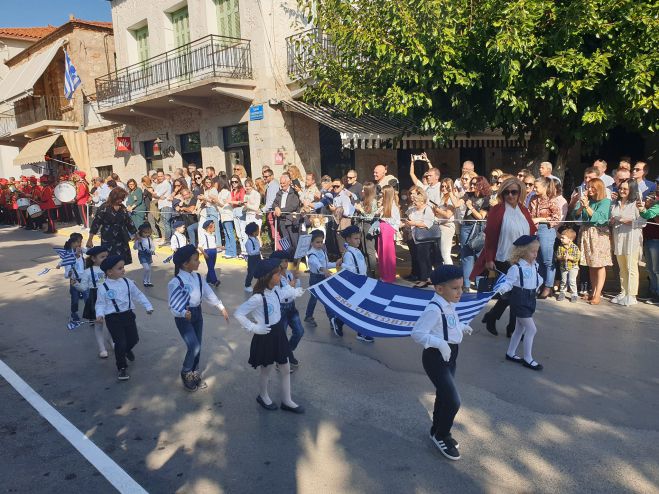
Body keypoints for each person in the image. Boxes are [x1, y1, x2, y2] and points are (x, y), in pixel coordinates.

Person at [411, 265, 473, 461]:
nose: (459, 292)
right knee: (453, 401)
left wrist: (462, 327)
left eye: (461, 287)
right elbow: (418, 333)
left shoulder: (449, 304)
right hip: (436, 357)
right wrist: (439, 343)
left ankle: (436, 429)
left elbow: (450, 323)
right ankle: (442, 434)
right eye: (455, 288)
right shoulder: (434, 308)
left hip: (451, 354)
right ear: (439, 289)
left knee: (444, 396)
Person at [234, 258, 305, 413]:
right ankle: (263, 395)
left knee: (285, 368)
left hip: (278, 332)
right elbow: (238, 313)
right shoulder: (258, 298)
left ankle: (287, 400)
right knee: (266, 369)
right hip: (265, 335)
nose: (280, 276)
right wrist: (253, 327)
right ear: (268, 277)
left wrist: (295, 291)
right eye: (277, 274)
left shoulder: (275, 290)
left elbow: (285, 292)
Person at [474, 177, 536, 336]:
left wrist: (531, 255)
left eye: (514, 192)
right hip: (503, 257)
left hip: (522, 258)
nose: (510, 195)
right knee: (513, 294)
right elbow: (490, 237)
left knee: (516, 294)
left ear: (520, 192)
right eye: (506, 192)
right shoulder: (498, 210)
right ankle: (505, 324)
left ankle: (499, 320)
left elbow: (532, 232)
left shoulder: (523, 210)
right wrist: (489, 259)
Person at [168, 245, 229, 392]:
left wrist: (221, 307)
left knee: (198, 345)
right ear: (185, 263)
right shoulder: (175, 282)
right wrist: (182, 313)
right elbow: (172, 305)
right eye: (196, 260)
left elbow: (208, 294)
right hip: (184, 316)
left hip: (197, 314)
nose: (199, 262)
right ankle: (186, 371)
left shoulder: (199, 278)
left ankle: (194, 372)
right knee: (193, 345)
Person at [95, 255, 154, 381]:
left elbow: (138, 295)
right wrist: (99, 315)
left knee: (134, 339)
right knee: (120, 343)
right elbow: (100, 303)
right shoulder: (103, 287)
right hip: (113, 318)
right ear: (109, 272)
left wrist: (147, 306)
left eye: (123, 267)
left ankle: (126, 350)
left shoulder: (128, 282)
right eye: (119, 268)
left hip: (128, 315)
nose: (123, 270)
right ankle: (121, 367)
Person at [497, 235, 544, 371]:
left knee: (520, 328)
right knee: (531, 329)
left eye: (537, 251)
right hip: (520, 299)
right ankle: (528, 358)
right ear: (522, 252)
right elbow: (508, 282)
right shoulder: (516, 268)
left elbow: (538, 278)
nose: (536, 254)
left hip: (530, 299)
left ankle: (510, 353)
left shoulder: (534, 265)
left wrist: (538, 283)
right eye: (532, 251)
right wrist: (501, 289)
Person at [573, 178, 612, 305]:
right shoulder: (586, 200)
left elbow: (600, 218)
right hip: (586, 232)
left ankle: (598, 293)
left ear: (599, 189)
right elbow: (576, 215)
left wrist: (587, 206)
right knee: (591, 264)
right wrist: (581, 205)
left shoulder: (605, 202)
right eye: (588, 187)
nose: (589, 189)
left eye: (592, 187)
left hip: (598, 235)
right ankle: (592, 291)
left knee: (599, 264)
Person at [334, 225, 374, 342]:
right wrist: (342, 265)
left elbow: (362, 267)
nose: (358, 240)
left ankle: (339, 321)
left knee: (356, 308)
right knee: (357, 309)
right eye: (355, 239)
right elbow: (348, 270)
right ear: (348, 240)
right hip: (354, 285)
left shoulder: (358, 251)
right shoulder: (348, 254)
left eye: (359, 238)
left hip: (362, 283)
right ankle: (359, 331)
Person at [609, 180, 645, 306]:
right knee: (622, 268)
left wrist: (628, 221)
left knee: (631, 268)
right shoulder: (615, 203)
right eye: (621, 188)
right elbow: (612, 217)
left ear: (632, 190)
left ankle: (632, 295)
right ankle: (623, 292)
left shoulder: (636, 203)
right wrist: (612, 221)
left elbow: (643, 222)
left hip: (631, 239)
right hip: (618, 238)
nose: (622, 191)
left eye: (625, 189)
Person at [75, 246, 114, 358]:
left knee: (112, 322)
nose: (105, 259)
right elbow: (83, 288)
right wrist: (76, 284)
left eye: (106, 256)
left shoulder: (109, 268)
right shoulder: (87, 272)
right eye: (102, 257)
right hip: (95, 298)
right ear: (93, 259)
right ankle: (102, 348)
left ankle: (111, 341)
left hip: (108, 296)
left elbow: (116, 280)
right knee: (99, 324)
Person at [270, 251, 304, 368]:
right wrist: (290, 285)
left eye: (286, 260)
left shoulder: (289, 273)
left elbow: (296, 291)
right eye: (283, 260)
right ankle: (282, 360)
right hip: (281, 308)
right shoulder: (274, 277)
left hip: (291, 307)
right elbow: (279, 295)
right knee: (282, 336)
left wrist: (296, 279)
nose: (286, 262)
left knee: (299, 332)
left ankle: (287, 352)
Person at [529, 177, 561, 298]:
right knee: (537, 259)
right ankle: (539, 284)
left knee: (548, 260)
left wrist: (541, 219)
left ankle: (548, 286)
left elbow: (557, 217)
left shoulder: (552, 200)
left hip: (546, 230)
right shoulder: (533, 198)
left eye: (536, 187)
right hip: (534, 230)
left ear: (545, 187)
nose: (534, 189)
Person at [87, 188, 137, 264]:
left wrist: (136, 235)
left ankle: (120, 275)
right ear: (114, 197)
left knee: (121, 261)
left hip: (122, 238)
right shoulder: (104, 207)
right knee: (110, 262)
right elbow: (96, 223)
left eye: (123, 198)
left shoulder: (122, 207)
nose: (122, 200)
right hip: (108, 238)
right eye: (121, 198)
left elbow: (129, 222)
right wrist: (90, 239)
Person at [459, 176, 491, 291]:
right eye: (471, 184)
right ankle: (466, 285)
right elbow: (457, 204)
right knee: (466, 255)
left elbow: (481, 216)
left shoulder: (486, 198)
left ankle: (479, 283)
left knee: (479, 255)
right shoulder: (468, 194)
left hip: (478, 227)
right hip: (466, 226)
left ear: (481, 185)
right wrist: (450, 192)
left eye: (475, 184)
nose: (472, 186)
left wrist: (470, 207)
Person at [304, 229, 340, 327]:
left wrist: (335, 264)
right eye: (317, 242)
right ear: (311, 242)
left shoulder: (322, 250)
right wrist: (324, 270)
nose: (320, 244)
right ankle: (311, 316)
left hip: (323, 276)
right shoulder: (311, 254)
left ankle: (331, 318)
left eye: (321, 242)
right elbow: (317, 264)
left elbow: (325, 264)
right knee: (315, 298)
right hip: (315, 278)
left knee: (325, 298)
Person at [405, 187, 436, 288]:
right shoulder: (413, 209)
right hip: (415, 237)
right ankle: (427, 278)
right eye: (413, 201)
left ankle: (424, 279)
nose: (414, 203)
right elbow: (408, 218)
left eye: (416, 201)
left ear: (422, 200)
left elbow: (428, 223)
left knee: (424, 259)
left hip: (424, 237)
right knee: (421, 258)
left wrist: (413, 223)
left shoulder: (427, 209)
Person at [60, 233, 86, 326]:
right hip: (74, 282)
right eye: (77, 243)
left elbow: (90, 251)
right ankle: (74, 314)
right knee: (75, 299)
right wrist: (69, 273)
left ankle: (92, 315)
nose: (79, 245)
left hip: (84, 281)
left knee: (88, 298)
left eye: (80, 242)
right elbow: (66, 274)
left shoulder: (82, 253)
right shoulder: (69, 259)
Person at [639, 181, 659, 303]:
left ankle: (657, 294)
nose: (658, 185)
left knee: (656, 269)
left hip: (656, 238)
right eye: (657, 183)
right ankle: (653, 291)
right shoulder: (653, 195)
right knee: (650, 268)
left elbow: (654, 218)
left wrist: (648, 208)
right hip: (648, 236)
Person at [273, 173, 302, 254]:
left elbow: (293, 206)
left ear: (289, 182)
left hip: (291, 219)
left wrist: (281, 211)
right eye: (281, 183)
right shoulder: (279, 192)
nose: (282, 185)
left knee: (294, 240)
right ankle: (289, 256)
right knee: (285, 240)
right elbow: (274, 203)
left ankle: (297, 257)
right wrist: (276, 208)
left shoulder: (294, 192)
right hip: (281, 220)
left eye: (283, 183)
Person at [354, 181, 379, 276]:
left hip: (369, 226)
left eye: (364, 189)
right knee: (363, 249)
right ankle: (365, 269)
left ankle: (373, 271)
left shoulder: (373, 201)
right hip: (361, 225)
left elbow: (370, 217)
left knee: (370, 250)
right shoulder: (363, 200)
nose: (362, 190)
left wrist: (361, 210)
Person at [378, 184, 400, 283]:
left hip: (388, 229)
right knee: (381, 252)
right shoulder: (384, 206)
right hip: (382, 228)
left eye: (383, 194)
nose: (381, 196)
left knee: (388, 253)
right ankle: (383, 274)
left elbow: (396, 221)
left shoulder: (393, 206)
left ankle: (389, 276)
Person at [433, 178, 458, 265]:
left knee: (445, 254)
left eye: (446, 187)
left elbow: (448, 215)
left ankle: (451, 275)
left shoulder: (451, 198)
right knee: (443, 254)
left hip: (447, 227)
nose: (443, 188)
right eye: (442, 186)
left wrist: (437, 209)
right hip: (441, 226)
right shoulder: (443, 198)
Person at [328, 177, 354, 254]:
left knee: (344, 249)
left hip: (343, 227)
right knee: (340, 249)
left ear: (342, 186)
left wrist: (335, 209)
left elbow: (346, 212)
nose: (335, 188)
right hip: (337, 225)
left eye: (337, 186)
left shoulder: (344, 197)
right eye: (333, 186)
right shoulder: (335, 196)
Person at [555, 228, 580, 303]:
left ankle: (574, 294)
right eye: (561, 237)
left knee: (572, 281)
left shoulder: (575, 247)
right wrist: (562, 257)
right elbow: (557, 256)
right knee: (563, 280)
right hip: (563, 267)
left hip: (573, 267)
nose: (561, 239)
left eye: (563, 238)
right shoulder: (560, 247)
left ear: (570, 239)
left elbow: (577, 258)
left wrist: (570, 257)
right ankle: (562, 292)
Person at [218, 176, 237, 259]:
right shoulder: (221, 192)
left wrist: (216, 200)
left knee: (230, 233)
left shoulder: (226, 192)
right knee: (226, 233)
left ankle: (233, 252)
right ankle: (228, 251)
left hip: (227, 214)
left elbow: (224, 203)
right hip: (223, 215)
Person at [152, 170, 173, 245]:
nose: (160, 177)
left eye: (161, 176)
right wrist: (156, 195)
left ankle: (168, 241)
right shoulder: (160, 184)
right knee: (167, 224)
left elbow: (156, 194)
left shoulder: (165, 184)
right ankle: (169, 240)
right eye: (158, 176)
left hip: (166, 206)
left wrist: (156, 195)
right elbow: (155, 195)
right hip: (162, 205)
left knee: (166, 224)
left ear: (164, 176)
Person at [228, 174, 247, 256]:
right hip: (234, 210)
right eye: (232, 182)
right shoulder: (232, 191)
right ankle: (242, 251)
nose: (234, 183)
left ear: (239, 181)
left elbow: (242, 201)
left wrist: (231, 202)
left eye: (236, 181)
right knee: (238, 234)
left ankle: (246, 251)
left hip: (240, 209)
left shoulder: (241, 190)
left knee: (243, 232)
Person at [198, 219, 220, 287]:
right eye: (213, 227)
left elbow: (213, 244)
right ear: (209, 228)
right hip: (208, 252)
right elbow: (199, 246)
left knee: (211, 267)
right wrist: (204, 253)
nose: (214, 228)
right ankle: (214, 281)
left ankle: (208, 280)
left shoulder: (213, 235)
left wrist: (220, 247)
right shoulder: (204, 236)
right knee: (211, 267)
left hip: (214, 251)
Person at [263, 168, 280, 248]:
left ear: (272, 176)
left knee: (275, 234)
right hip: (270, 211)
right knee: (274, 233)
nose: (264, 178)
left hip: (272, 211)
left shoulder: (273, 185)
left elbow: (271, 202)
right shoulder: (270, 185)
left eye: (266, 177)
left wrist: (262, 210)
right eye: (264, 176)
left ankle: (279, 251)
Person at [133, 223, 155, 287]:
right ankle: (145, 280)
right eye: (145, 233)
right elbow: (135, 248)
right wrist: (138, 242)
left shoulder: (149, 239)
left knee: (149, 269)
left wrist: (151, 250)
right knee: (147, 269)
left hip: (148, 254)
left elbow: (153, 246)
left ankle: (148, 281)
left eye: (148, 233)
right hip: (142, 254)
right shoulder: (139, 240)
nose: (147, 234)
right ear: (141, 232)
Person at [244, 222, 262, 293]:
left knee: (260, 270)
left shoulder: (256, 239)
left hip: (258, 257)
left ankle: (261, 284)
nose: (258, 231)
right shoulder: (249, 242)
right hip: (252, 259)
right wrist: (259, 249)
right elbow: (250, 252)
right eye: (257, 230)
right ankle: (247, 285)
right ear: (254, 232)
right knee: (251, 272)